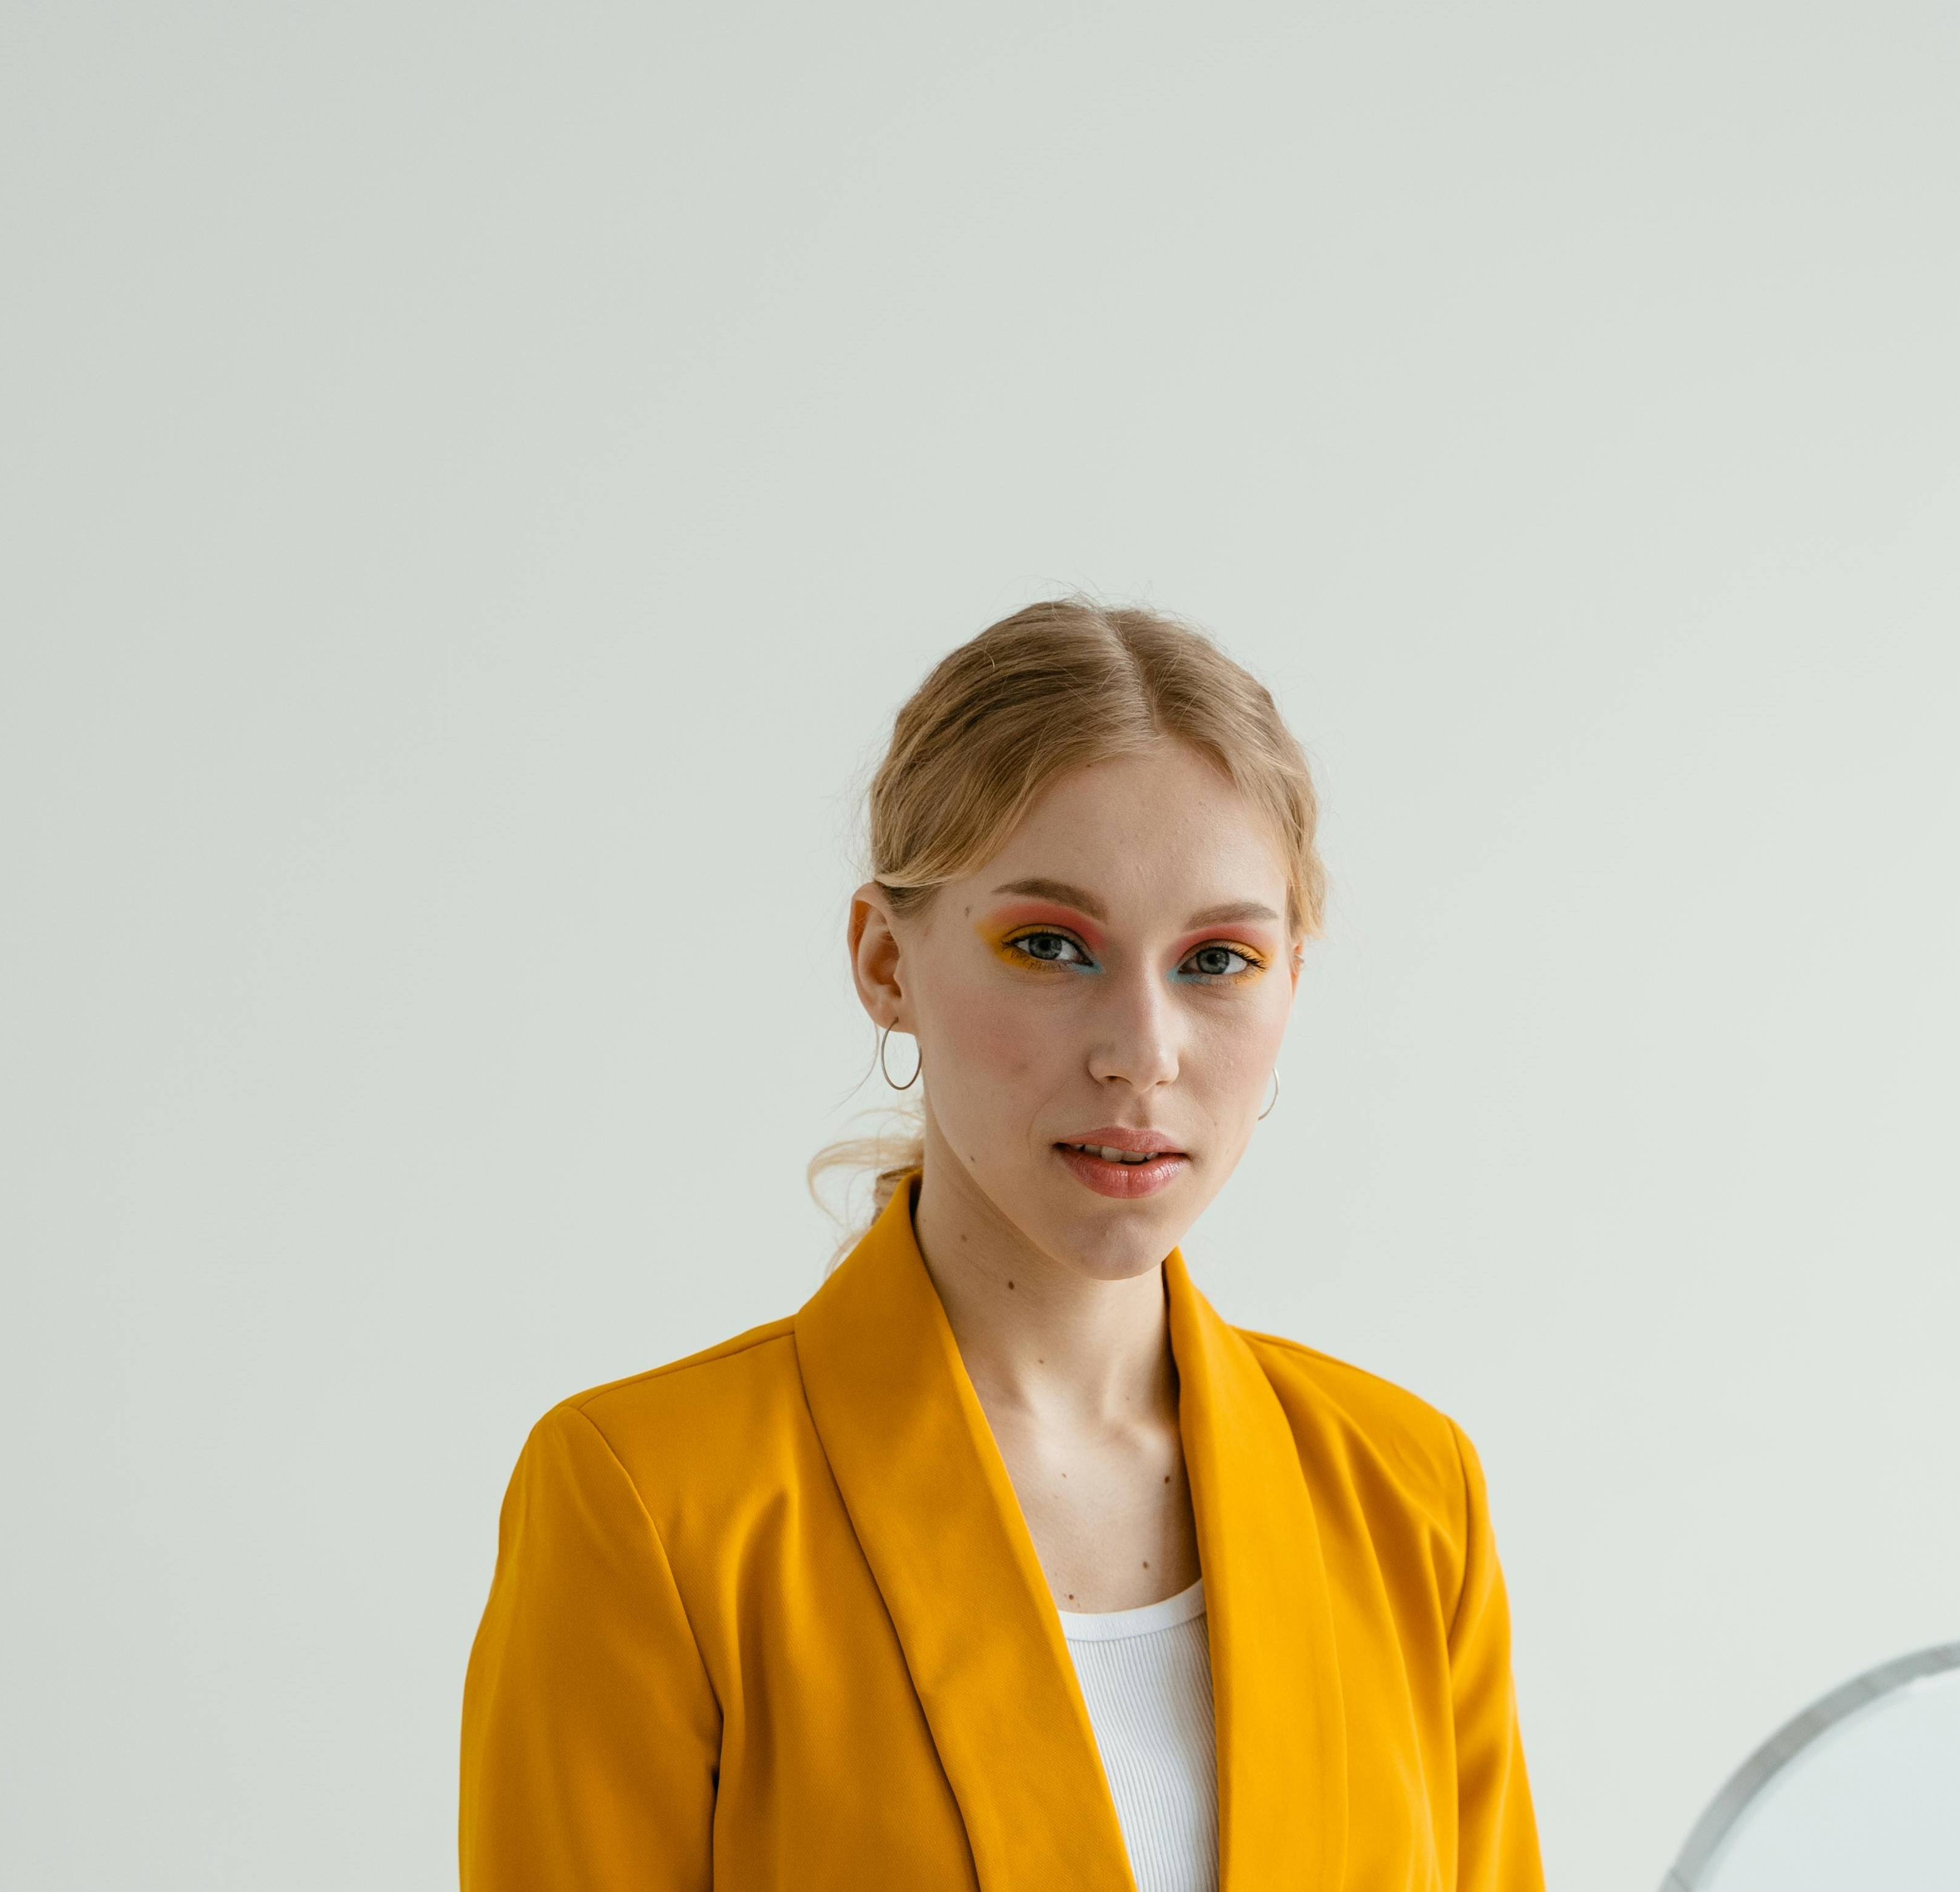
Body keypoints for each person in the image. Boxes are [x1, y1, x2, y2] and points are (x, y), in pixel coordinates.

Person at [459, 599, 1544, 1892]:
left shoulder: (1408, 1494)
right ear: (883, 960)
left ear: (1291, 982)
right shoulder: (653, 1501)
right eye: (1049, 945)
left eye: (1216, 958)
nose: (1141, 1049)